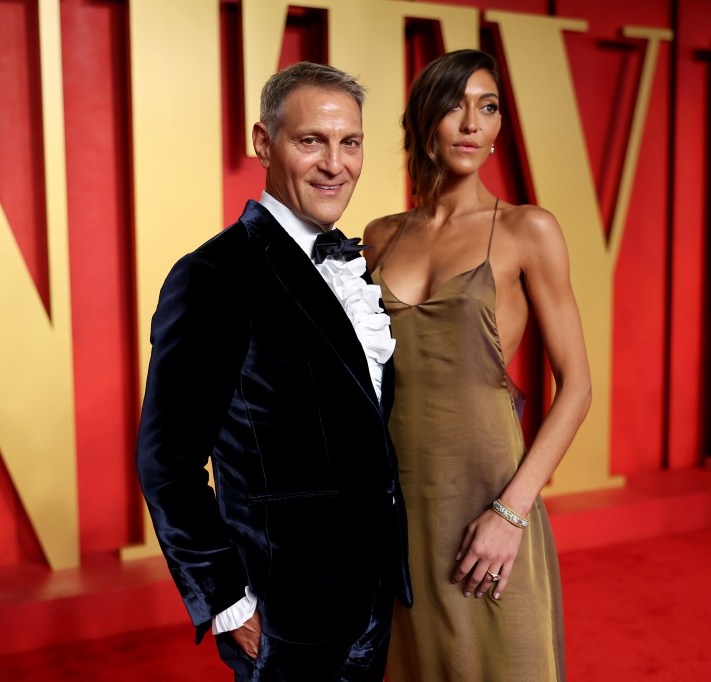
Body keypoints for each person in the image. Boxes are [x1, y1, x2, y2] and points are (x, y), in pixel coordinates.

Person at [136, 61, 412, 681]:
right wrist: (228, 602)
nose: (334, 164)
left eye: (350, 142)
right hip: (282, 608)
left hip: (369, 596)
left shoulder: (354, 272)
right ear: (264, 143)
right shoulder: (213, 276)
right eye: (310, 140)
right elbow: (167, 462)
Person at [363, 49, 591, 681]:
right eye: (454, 106)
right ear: (422, 121)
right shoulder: (379, 237)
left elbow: (576, 386)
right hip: (399, 504)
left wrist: (512, 511)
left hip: (489, 499)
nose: (471, 123)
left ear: (497, 131)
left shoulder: (528, 230)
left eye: (487, 108)